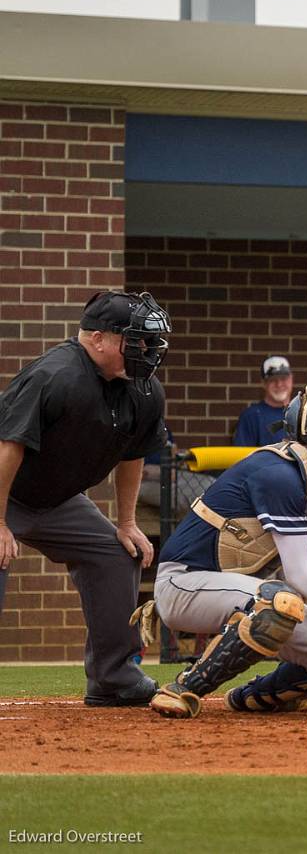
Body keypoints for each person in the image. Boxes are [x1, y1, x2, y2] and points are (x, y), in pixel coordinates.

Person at [149, 384, 307, 717]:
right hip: (184, 584)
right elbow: (300, 574)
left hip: (241, 591)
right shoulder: (280, 473)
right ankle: (183, 689)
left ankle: (251, 697)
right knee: (279, 602)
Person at [0, 291, 171, 707]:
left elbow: (133, 454)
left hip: (55, 500)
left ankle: (113, 679)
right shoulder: (54, 376)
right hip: (5, 492)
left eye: (148, 342)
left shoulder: (144, 391)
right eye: (134, 341)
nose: (145, 351)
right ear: (97, 339)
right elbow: (8, 448)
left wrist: (126, 522)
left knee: (117, 553)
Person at [232, 356, 295, 447]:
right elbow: (243, 458)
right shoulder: (251, 416)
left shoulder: (303, 414)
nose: (279, 384)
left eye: (283, 378)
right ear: (264, 383)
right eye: (273, 380)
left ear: (291, 379)